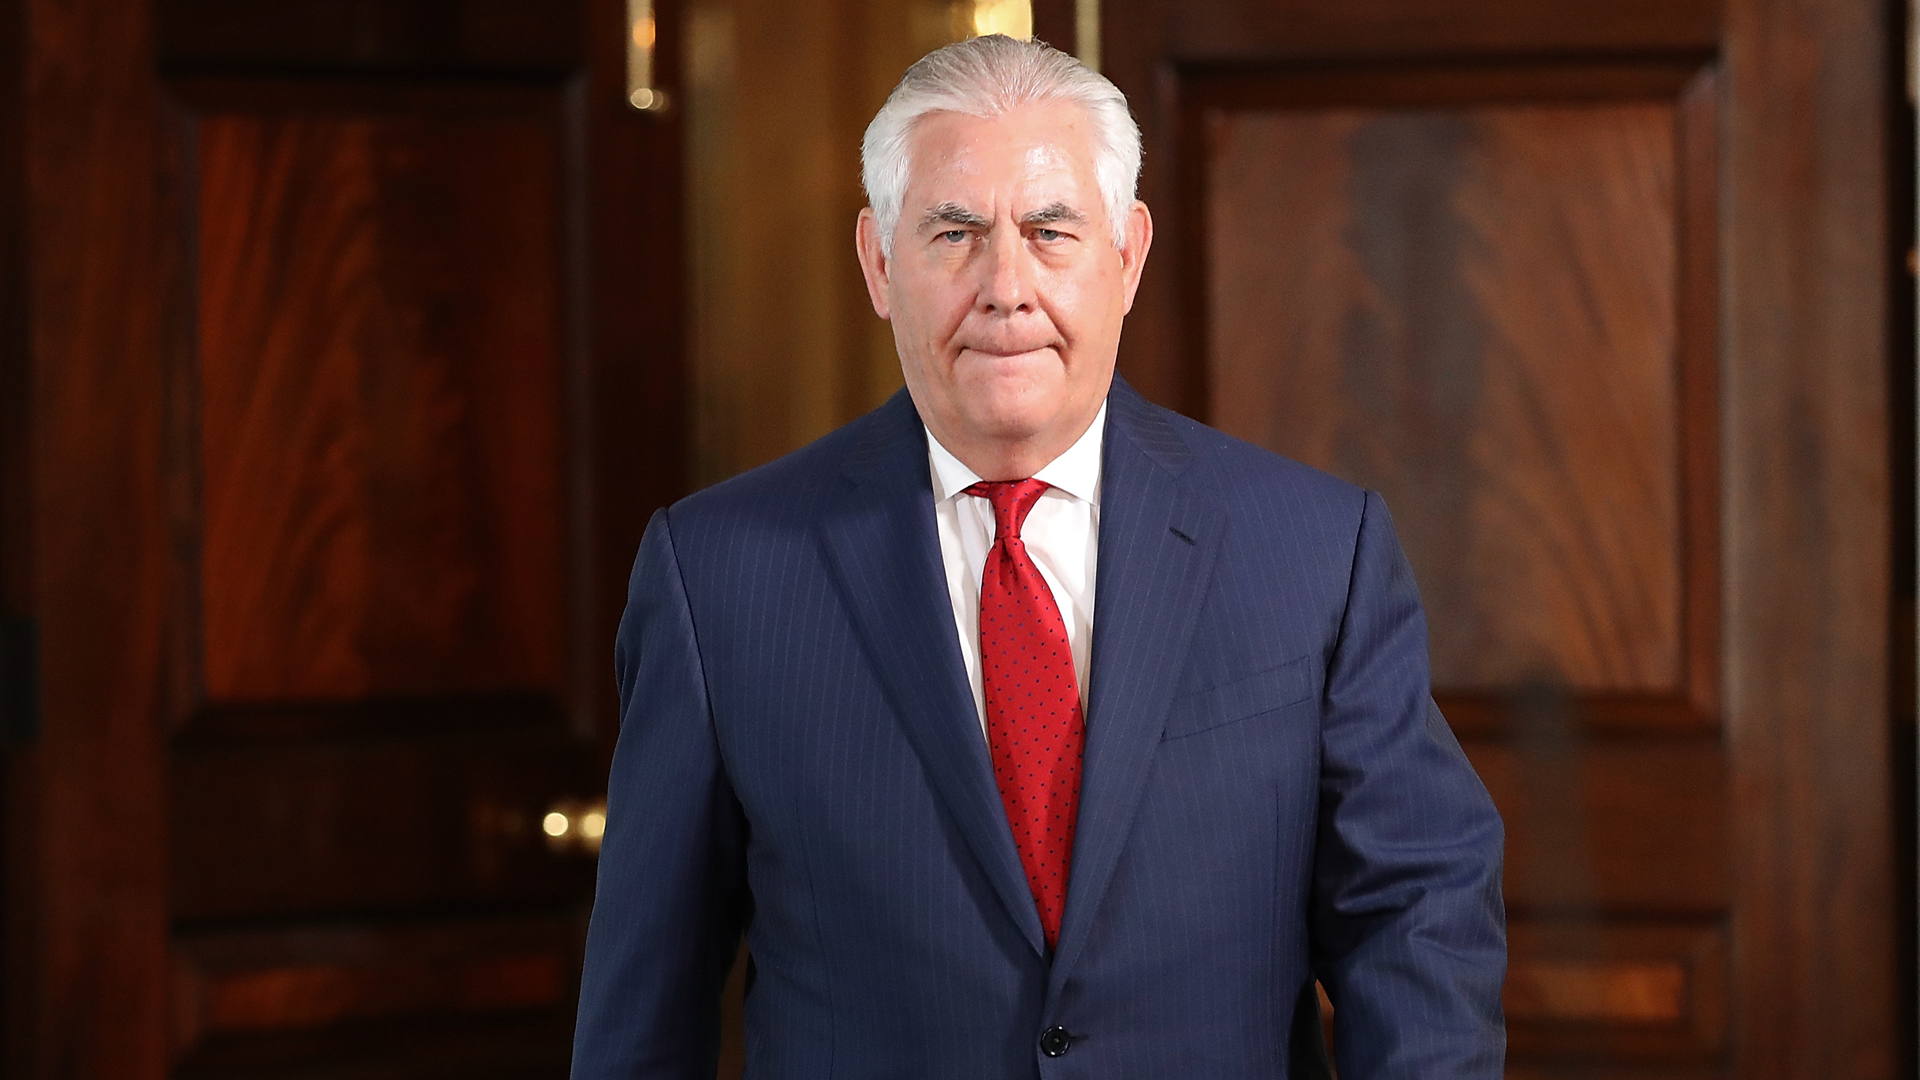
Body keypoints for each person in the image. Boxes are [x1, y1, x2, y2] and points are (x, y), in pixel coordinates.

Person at [571, 34, 1504, 1080]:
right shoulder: (717, 579)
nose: (1005, 286)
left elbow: (1416, 916)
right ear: (880, 263)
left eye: (1051, 230)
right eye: (954, 233)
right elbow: (640, 1016)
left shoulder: (1315, 551)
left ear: (1127, 255)